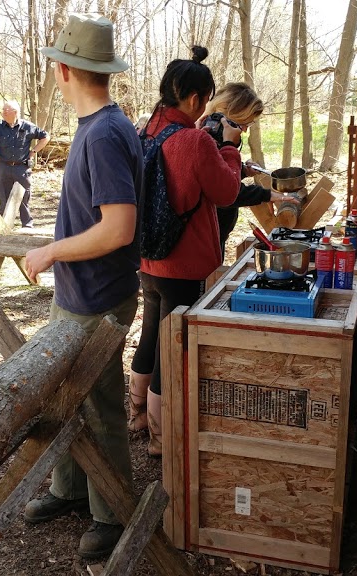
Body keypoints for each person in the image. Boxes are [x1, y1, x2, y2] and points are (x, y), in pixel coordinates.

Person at [20, 13, 142, 559]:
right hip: (79, 294)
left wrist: (50, 250)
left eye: (54, 66)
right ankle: (69, 490)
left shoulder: (105, 135)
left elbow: (119, 228)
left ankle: (112, 512)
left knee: (99, 406)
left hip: (96, 299)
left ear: (65, 69)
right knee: (63, 397)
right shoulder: (98, 126)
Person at [126, 46, 243, 455]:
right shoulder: (195, 141)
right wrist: (229, 147)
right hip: (184, 261)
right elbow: (227, 192)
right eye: (206, 100)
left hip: (148, 257)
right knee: (169, 350)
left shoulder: (146, 130)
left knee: (150, 333)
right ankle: (160, 441)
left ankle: (138, 416)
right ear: (195, 99)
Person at [202, 82, 286, 257]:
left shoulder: (215, 139)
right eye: (243, 123)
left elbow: (220, 174)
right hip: (202, 242)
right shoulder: (205, 140)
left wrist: (242, 171)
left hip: (216, 235)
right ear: (226, 118)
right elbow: (225, 192)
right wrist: (266, 195)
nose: (245, 130)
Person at [0, 100, 50, 228]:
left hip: (22, 168)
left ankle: (27, 226)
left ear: (15, 112)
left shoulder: (28, 127)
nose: (3, 113)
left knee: (24, 198)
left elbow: (45, 137)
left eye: (6, 110)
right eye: (3, 110)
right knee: (4, 197)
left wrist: (33, 152)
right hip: (4, 166)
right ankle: (3, 227)